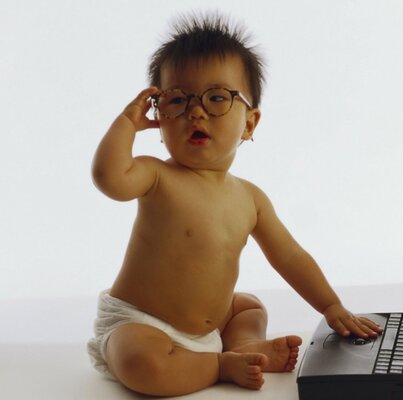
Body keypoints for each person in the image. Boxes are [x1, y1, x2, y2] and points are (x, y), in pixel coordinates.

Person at [87, 12, 383, 397]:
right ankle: (219, 364)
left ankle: (243, 346)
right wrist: (127, 121)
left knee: (247, 307)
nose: (196, 111)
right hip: (143, 323)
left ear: (249, 123)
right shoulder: (155, 175)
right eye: (177, 99)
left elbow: (290, 256)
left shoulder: (251, 198)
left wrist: (331, 307)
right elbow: (109, 179)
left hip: (211, 324)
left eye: (216, 98)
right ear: (158, 119)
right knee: (143, 366)